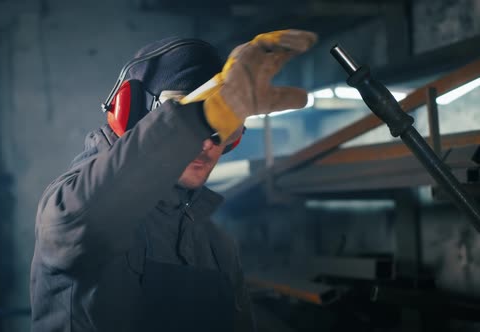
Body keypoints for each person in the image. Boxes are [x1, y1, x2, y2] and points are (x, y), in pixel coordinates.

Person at [30, 30, 317, 332]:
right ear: (130, 114)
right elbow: (88, 215)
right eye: (193, 122)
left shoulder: (217, 248)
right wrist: (196, 119)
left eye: (225, 127)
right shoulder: (71, 208)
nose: (207, 144)